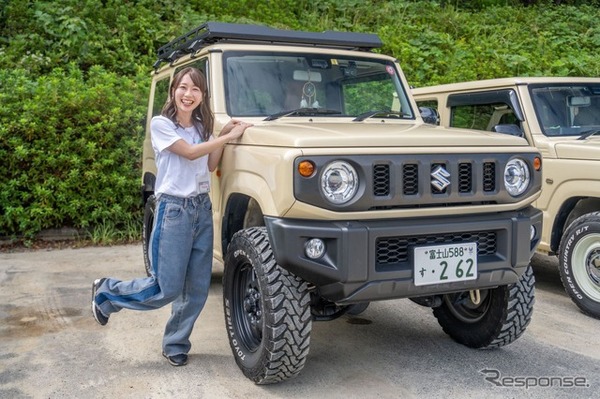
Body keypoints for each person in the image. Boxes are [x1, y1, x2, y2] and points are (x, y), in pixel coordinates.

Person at [91, 67, 252, 367]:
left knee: (197, 289)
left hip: (201, 209)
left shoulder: (203, 126)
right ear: (173, 90)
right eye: (183, 87)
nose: (188, 95)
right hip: (173, 211)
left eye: (195, 90)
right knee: (166, 287)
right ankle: (107, 292)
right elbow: (190, 153)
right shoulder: (161, 124)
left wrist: (225, 135)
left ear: (202, 95)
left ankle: (175, 342)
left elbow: (209, 164)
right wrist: (228, 134)